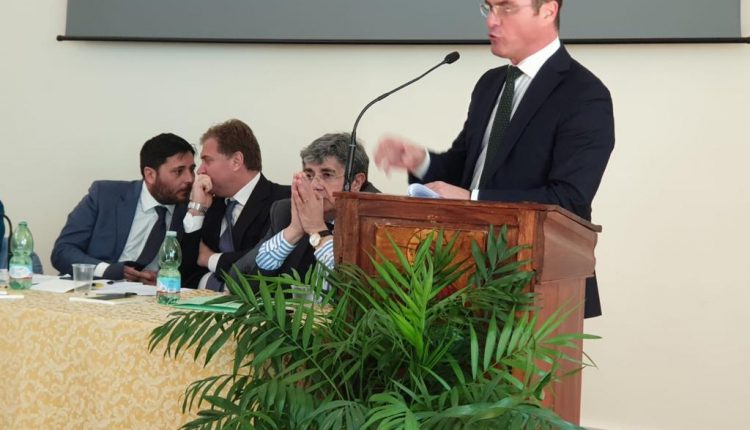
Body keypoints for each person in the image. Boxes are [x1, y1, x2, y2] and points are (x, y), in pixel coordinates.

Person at [373, 0, 614, 318]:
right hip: (461, 273)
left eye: (507, 8)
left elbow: (569, 198)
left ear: (547, 10)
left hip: (532, 283)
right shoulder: (490, 84)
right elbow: (468, 172)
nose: (492, 21)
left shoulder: (584, 93)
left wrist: (474, 201)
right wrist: (421, 161)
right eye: (489, 8)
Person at [51, 133, 203, 285]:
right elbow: (63, 251)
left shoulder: (190, 211)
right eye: (179, 171)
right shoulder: (105, 196)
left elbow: (191, 271)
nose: (190, 179)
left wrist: (162, 279)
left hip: (148, 295)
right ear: (150, 174)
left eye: (191, 169)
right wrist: (107, 270)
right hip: (92, 289)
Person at [232, 132, 378, 286]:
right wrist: (293, 231)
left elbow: (358, 291)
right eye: (309, 175)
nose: (314, 185)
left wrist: (318, 231)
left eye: (327, 175)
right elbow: (236, 281)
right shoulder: (286, 211)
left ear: (356, 182)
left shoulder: (380, 221)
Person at [184, 119, 289, 291]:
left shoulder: (282, 202)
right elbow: (182, 270)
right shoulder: (209, 200)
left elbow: (262, 261)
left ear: (236, 161)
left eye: (207, 161)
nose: (200, 170)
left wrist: (209, 259)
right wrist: (197, 209)